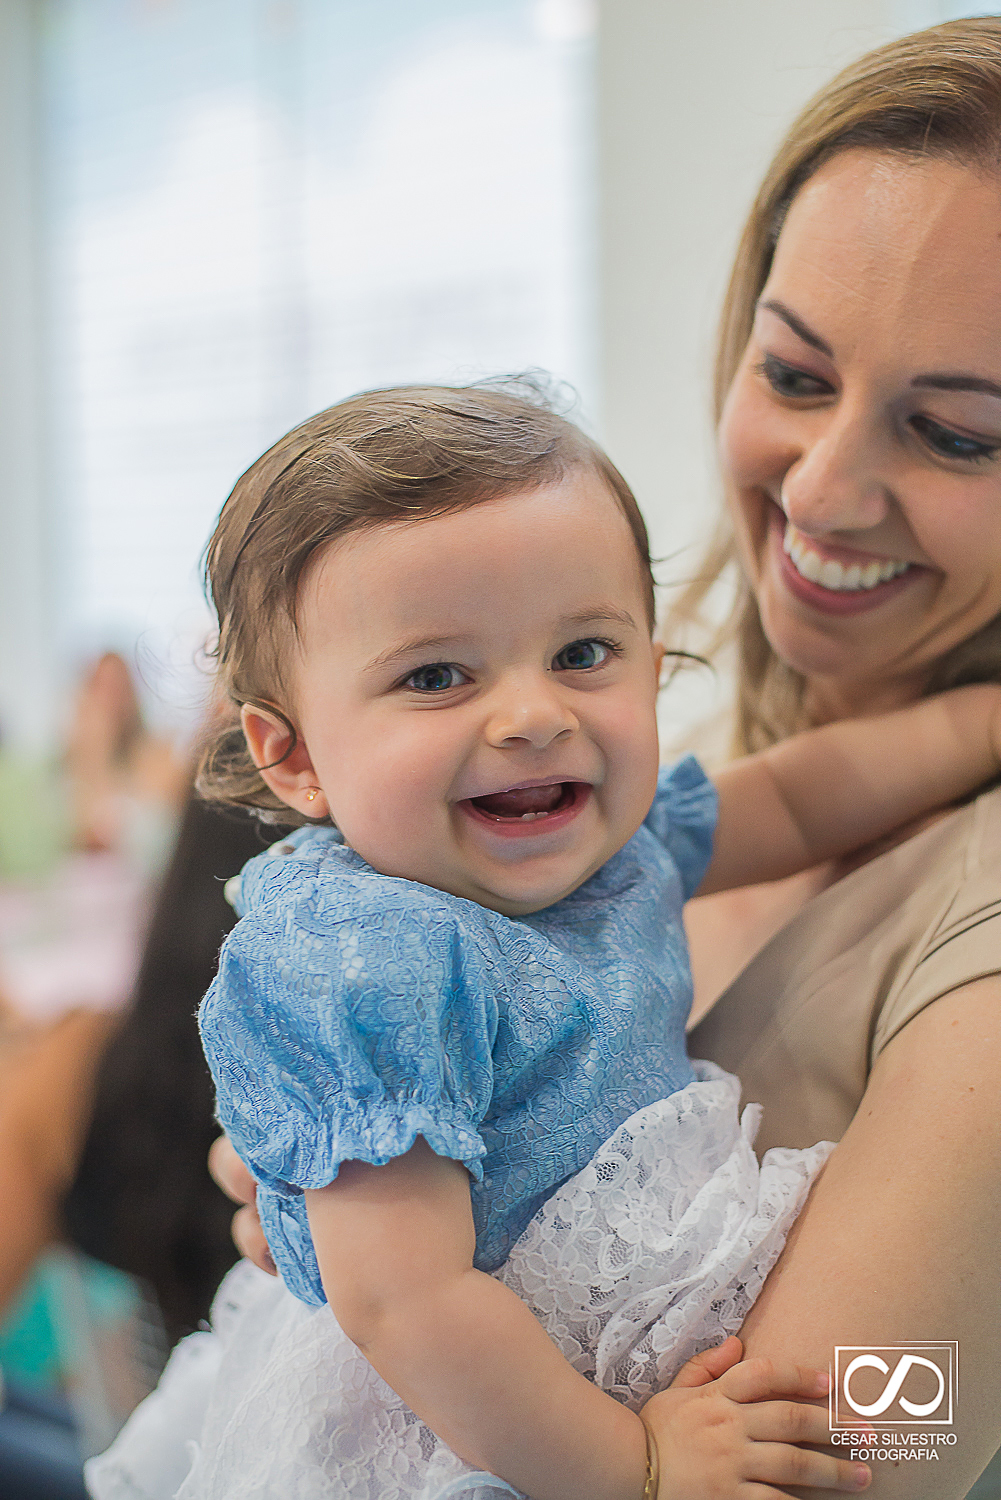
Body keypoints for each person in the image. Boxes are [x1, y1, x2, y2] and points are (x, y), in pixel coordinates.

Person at [85, 381, 1001, 1500]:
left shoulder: (623, 845)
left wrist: (981, 726)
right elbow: (401, 1301)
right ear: (294, 759)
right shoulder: (368, 957)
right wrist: (639, 1467)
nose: (529, 715)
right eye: (434, 676)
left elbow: (810, 798)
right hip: (458, 1431)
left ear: (651, 662)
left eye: (581, 653)